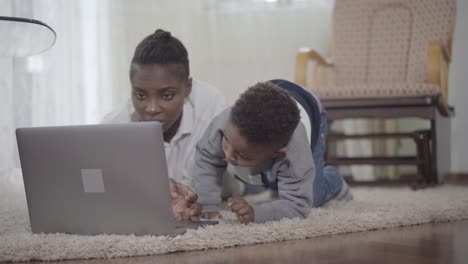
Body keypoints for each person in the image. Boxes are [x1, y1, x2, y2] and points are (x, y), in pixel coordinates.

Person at [102, 29, 227, 220]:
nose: (151, 108)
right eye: (140, 95)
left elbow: (226, 171)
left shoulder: (212, 108)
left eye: (167, 96)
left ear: (188, 88)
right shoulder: (114, 125)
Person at [194, 79, 352, 224]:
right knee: (255, 175)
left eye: (242, 155)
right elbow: (207, 157)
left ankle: (333, 179)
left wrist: (256, 213)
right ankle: (263, 176)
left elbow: (297, 206)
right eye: (226, 142)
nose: (228, 157)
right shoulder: (225, 122)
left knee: (313, 197)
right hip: (269, 107)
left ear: (277, 152)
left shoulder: (294, 153)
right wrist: (207, 204)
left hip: (312, 110)